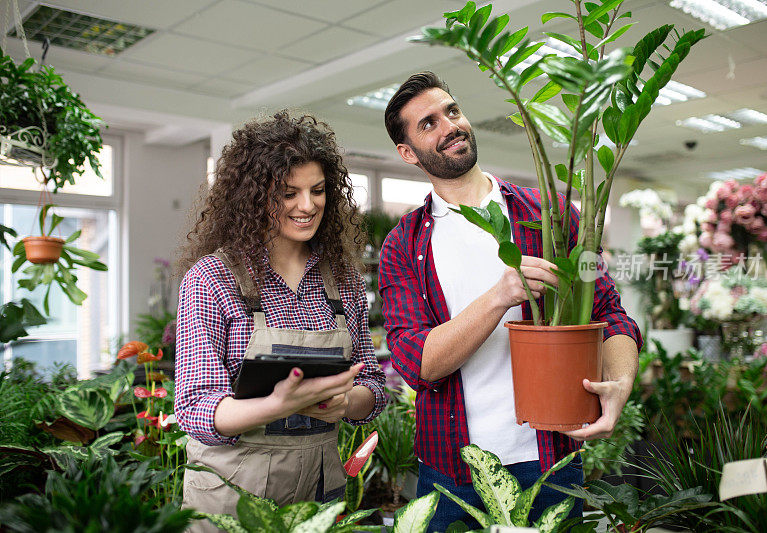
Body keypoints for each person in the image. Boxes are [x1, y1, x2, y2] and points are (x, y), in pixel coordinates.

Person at [379, 72, 642, 531]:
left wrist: (620, 381)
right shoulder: (404, 244)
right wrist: (500, 297)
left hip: (551, 461)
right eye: (428, 124)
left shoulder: (553, 217)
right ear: (407, 153)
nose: (449, 127)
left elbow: (609, 313)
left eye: (452, 111)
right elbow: (417, 362)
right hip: (451, 473)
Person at [175, 111, 386, 532]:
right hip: (235, 489)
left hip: (319, 487)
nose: (307, 206)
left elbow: (375, 387)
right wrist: (276, 406)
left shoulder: (342, 281)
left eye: (318, 190)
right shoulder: (212, 279)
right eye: (288, 193)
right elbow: (195, 409)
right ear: (253, 197)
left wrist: (346, 403)